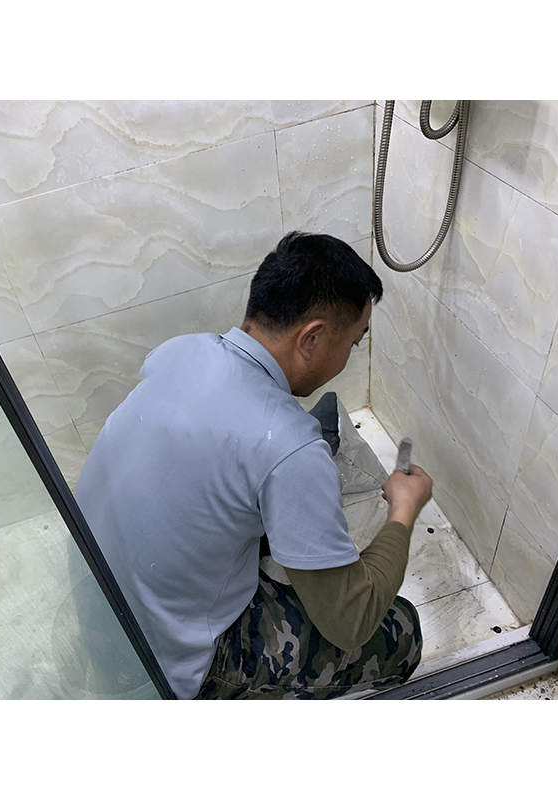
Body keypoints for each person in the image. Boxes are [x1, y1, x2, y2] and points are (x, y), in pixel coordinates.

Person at [74, 231, 433, 700]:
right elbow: (351, 622)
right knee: (399, 632)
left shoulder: (182, 352)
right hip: (168, 667)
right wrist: (403, 511)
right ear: (312, 338)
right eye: (353, 342)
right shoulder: (289, 448)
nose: (350, 356)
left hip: (100, 608)